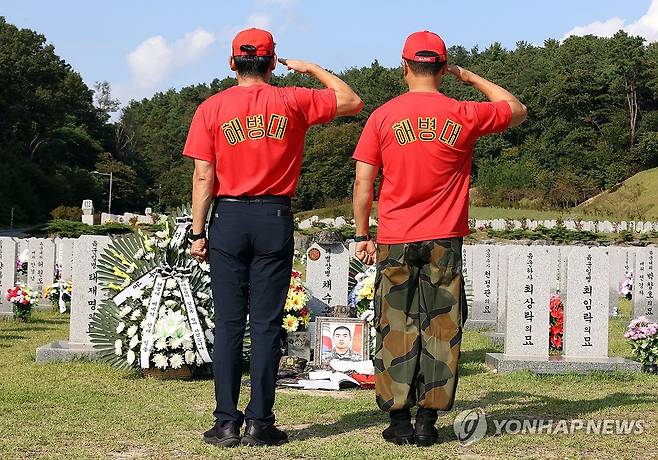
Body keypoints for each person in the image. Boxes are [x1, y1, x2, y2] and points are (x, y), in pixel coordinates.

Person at [184, 28, 363, 448]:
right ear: (271, 61)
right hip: (274, 215)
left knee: (228, 323)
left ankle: (226, 421)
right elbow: (352, 100)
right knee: (265, 325)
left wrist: (197, 232)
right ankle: (261, 422)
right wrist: (312, 68)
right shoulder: (294, 99)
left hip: (227, 216)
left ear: (232, 63)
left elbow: (203, 176)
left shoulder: (212, 107)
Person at [352, 30, 527, 446]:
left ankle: (397, 419)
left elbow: (363, 182)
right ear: (442, 67)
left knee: (396, 323)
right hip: (444, 238)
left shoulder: (384, 116)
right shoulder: (464, 112)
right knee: (442, 327)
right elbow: (515, 109)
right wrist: (470, 78)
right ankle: (429, 419)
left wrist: (362, 233)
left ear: (404, 65)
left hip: (395, 235)